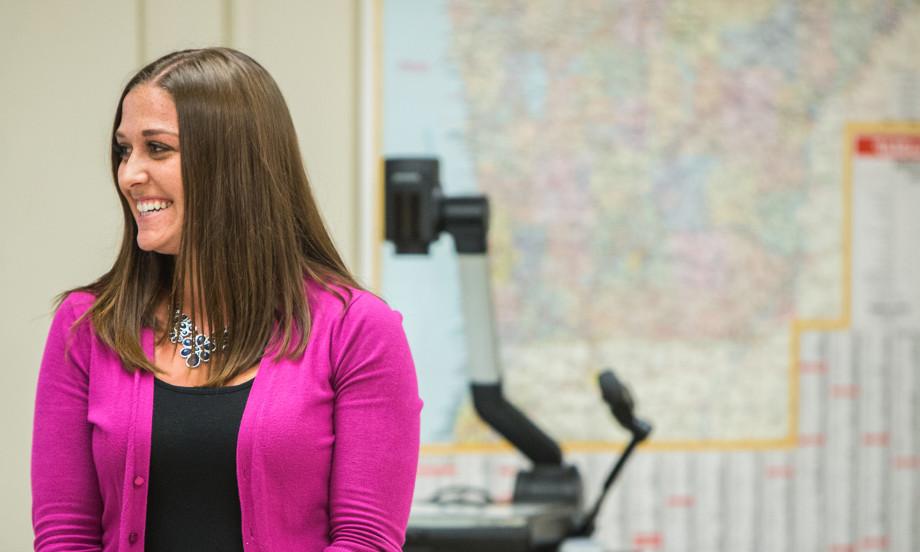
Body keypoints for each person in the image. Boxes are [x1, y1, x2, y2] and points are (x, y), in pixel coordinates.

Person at [31, 47, 422, 551]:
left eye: (157, 149)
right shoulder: (87, 325)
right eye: (124, 150)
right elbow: (65, 535)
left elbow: (366, 540)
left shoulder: (357, 330)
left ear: (231, 163)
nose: (129, 175)